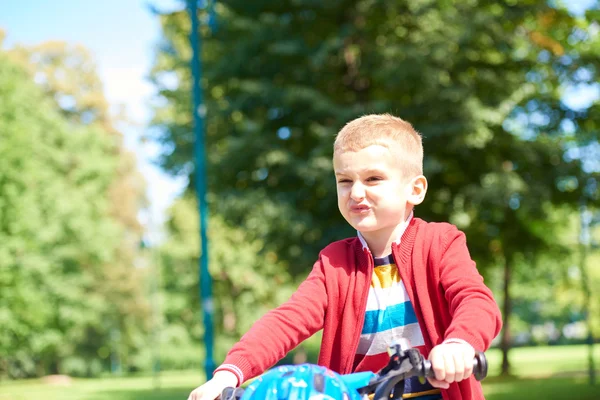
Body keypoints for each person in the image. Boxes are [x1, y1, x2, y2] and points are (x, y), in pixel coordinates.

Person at [188, 114, 502, 400]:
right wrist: (229, 373)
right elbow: (287, 320)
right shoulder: (334, 262)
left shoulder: (440, 242)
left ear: (415, 190)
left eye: (373, 179)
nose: (356, 193)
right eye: (345, 180)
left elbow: (474, 299)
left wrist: (460, 344)